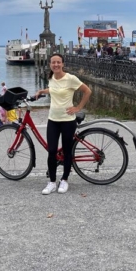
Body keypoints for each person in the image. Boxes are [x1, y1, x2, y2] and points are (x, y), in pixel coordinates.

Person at [35, 53, 92, 195]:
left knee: (67, 152)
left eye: (58, 62)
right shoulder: (52, 77)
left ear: (63, 64)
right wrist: (43, 91)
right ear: (50, 64)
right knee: (52, 151)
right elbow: (55, 90)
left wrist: (78, 108)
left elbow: (87, 91)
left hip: (67, 121)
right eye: (53, 62)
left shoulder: (70, 79)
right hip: (53, 120)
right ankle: (52, 182)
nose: (56, 65)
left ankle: (65, 179)